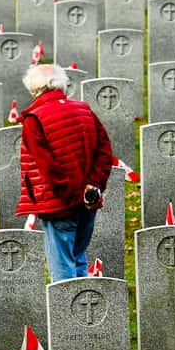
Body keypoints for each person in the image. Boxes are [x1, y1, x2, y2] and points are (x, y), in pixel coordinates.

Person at [16, 63, 114, 282]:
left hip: (58, 203)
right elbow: (104, 151)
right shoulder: (83, 109)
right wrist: (93, 186)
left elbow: (48, 167)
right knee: (78, 258)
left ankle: (66, 315)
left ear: (34, 89)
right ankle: (82, 315)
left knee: (62, 269)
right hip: (89, 200)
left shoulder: (34, 119)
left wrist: (73, 195)